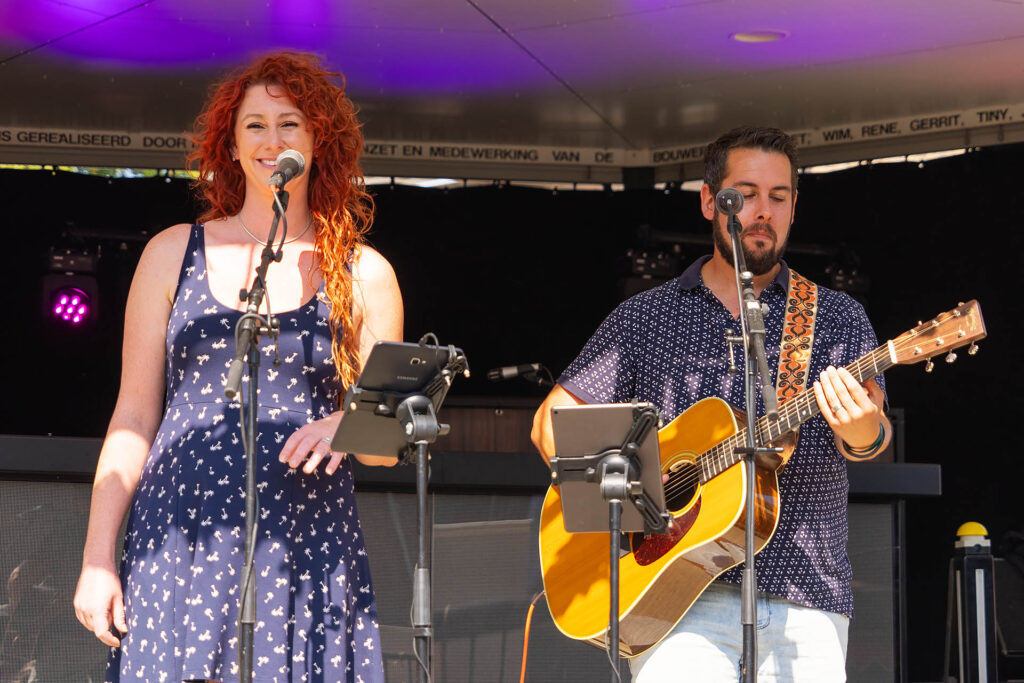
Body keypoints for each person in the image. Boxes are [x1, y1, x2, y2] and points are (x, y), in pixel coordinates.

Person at [73, 52, 402, 683]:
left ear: (318, 141)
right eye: (255, 125)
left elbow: (384, 447)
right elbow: (133, 418)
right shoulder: (172, 252)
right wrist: (97, 558)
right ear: (230, 144)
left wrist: (348, 423)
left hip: (303, 539)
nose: (271, 140)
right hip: (180, 533)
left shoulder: (364, 272)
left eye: (289, 124)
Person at [531, 126, 891, 682]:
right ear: (708, 201)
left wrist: (863, 428)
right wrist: (642, 498)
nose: (763, 211)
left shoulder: (838, 318)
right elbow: (552, 425)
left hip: (806, 598)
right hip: (675, 599)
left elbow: (872, 439)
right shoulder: (645, 317)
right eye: (744, 195)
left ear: (794, 207)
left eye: (778, 197)